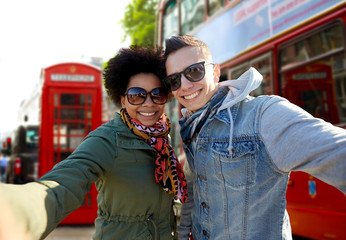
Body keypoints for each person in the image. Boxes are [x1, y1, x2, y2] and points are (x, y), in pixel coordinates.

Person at [163, 35, 346, 240]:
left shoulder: (263, 115)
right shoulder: (192, 126)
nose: (185, 85)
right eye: (174, 80)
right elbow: (192, 195)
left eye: (194, 71)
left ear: (215, 73)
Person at [0, 46, 188, 240]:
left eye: (157, 94)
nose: (149, 103)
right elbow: (62, 183)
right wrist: (14, 210)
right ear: (123, 100)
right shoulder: (107, 139)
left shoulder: (162, 138)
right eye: (136, 95)